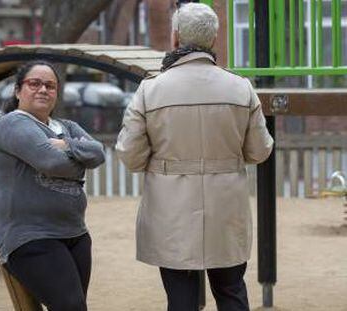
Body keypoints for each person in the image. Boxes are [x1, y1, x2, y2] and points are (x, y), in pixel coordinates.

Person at [115, 3, 273, 311]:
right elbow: (260, 150)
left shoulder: (151, 90)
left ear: (175, 38)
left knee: (181, 297)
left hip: (170, 210)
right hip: (226, 208)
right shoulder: (240, 88)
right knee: (231, 290)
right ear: (213, 40)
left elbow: (130, 155)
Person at [0, 60, 105, 311]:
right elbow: (52, 163)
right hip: (31, 236)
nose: (43, 89)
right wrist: (79, 161)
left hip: (75, 234)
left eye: (50, 86)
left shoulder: (65, 127)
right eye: (34, 83)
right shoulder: (13, 123)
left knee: (71, 306)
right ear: (18, 90)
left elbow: (99, 152)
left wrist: (67, 147)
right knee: (72, 307)